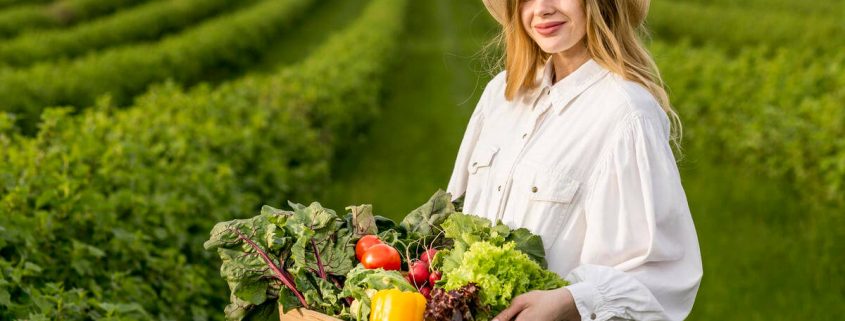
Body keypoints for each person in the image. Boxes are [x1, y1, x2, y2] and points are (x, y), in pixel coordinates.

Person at [445, 0, 703, 320]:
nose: (541, 9)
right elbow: (454, 214)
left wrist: (571, 301)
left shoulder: (627, 114)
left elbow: (663, 276)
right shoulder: (502, 93)